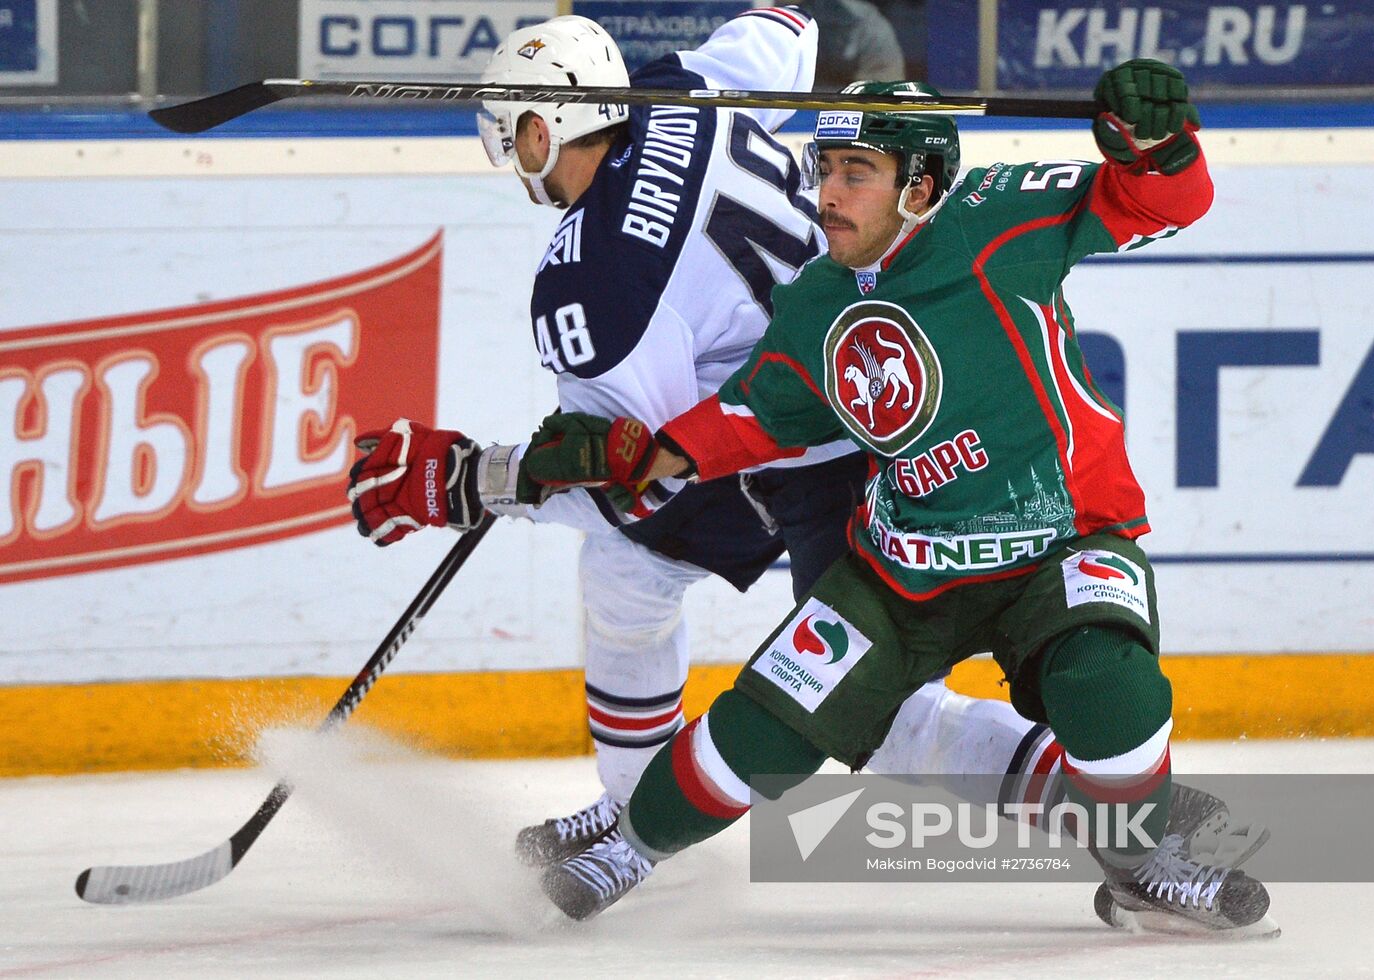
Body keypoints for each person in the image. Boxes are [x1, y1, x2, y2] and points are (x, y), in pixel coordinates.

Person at [344, 19, 1266, 930]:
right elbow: (735, 421)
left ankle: (1131, 839)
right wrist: (604, 455)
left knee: (1024, 701)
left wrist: (1157, 144)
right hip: (873, 500)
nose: (824, 193)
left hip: (965, 508)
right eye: (822, 167)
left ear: (923, 187)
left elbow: (1160, 199)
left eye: (852, 173)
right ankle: (633, 831)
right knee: (707, 657)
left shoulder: (997, 220)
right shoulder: (773, 228)